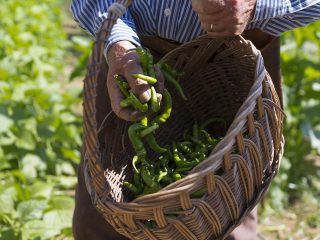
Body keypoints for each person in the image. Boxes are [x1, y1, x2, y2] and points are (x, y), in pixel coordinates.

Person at [70, 0, 320, 239]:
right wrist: (117, 39)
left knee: (222, 208)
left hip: (237, 52)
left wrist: (255, 4)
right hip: (132, 52)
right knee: (106, 215)